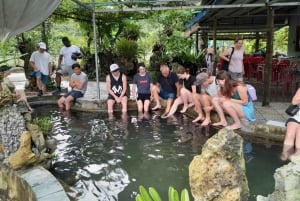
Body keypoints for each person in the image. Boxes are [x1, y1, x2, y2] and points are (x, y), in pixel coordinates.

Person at [281, 88, 300, 161]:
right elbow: (294, 102)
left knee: (299, 135)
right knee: (289, 134)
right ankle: (285, 154)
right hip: (298, 116)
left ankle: (296, 156)